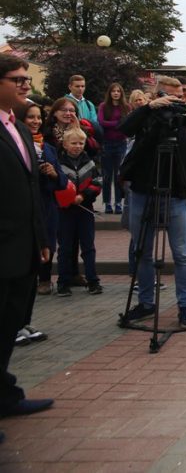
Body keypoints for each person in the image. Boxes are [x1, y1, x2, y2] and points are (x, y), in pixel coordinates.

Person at [118, 76, 186, 329]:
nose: (174, 101)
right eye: (168, 96)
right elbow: (124, 129)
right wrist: (149, 108)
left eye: (180, 96)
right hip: (143, 191)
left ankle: (185, 308)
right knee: (143, 252)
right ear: (156, 95)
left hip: (176, 195)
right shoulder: (146, 117)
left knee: (182, 254)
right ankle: (147, 303)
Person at [0, 54, 55, 428]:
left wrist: (41, 237)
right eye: (17, 79)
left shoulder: (18, 128)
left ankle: (5, 396)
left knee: (10, 325)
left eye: (25, 79)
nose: (25, 85)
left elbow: (31, 188)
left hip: (23, 246)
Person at [17, 102, 64, 298]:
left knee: (48, 243)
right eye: (31, 117)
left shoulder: (49, 148)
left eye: (38, 117)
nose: (35, 121)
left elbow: (62, 181)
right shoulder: (15, 144)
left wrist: (53, 174)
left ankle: (45, 279)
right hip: (24, 205)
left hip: (47, 204)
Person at [54, 127, 103, 297]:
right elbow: (55, 186)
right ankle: (63, 282)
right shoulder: (58, 163)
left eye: (80, 143)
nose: (77, 146)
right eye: (73, 143)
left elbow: (97, 182)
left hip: (85, 209)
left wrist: (84, 195)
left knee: (88, 246)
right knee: (65, 248)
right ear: (65, 144)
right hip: (65, 211)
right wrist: (67, 197)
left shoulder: (89, 162)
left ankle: (93, 280)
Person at [97, 82, 130, 214]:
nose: (116, 93)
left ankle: (118, 203)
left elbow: (127, 122)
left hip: (121, 143)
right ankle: (107, 203)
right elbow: (101, 122)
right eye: (113, 91)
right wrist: (117, 123)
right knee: (107, 175)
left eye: (118, 91)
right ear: (109, 93)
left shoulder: (125, 107)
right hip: (107, 143)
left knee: (118, 175)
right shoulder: (103, 106)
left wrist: (116, 124)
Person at [64, 74, 100, 139]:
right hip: (69, 138)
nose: (80, 89)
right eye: (77, 86)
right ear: (70, 87)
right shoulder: (63, 102)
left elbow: (94, 123)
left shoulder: (89, 104)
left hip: (87, 138)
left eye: (82, 86)